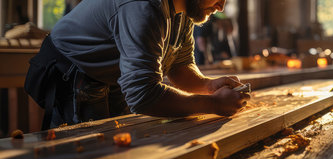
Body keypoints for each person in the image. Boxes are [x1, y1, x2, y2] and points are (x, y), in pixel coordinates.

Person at [25, 0, 250, 130]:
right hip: (73, 68)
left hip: (112, 73)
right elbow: (142, 95)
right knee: (87, 153)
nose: (221, 6)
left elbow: (179, 65)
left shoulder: (183, 11)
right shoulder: (145, 7)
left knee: (121, 141)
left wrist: (208, 86)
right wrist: (213, 105)